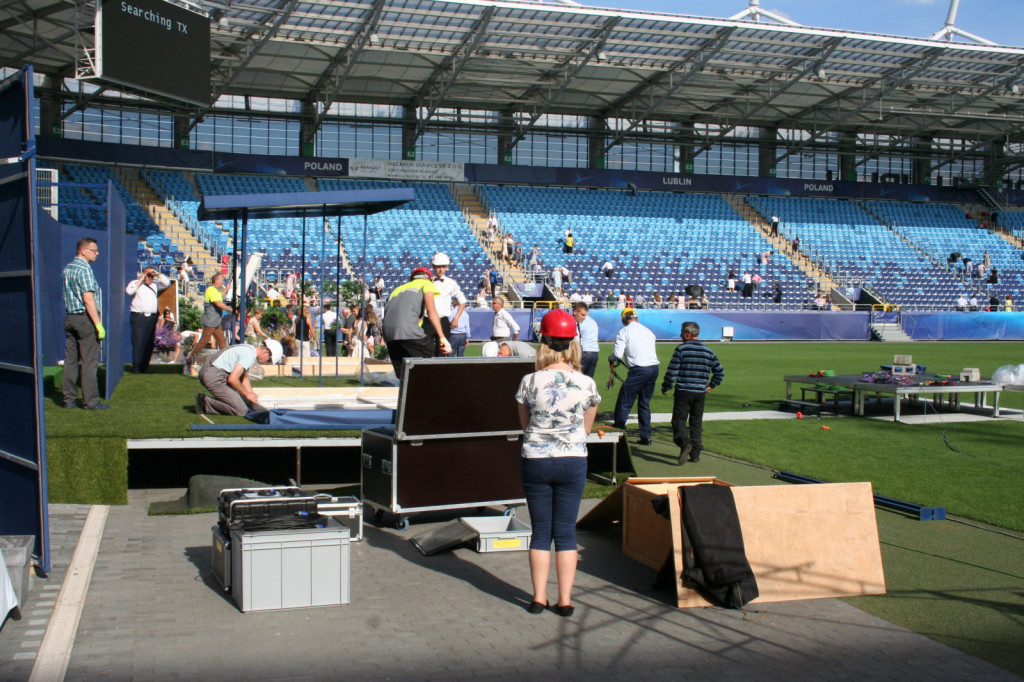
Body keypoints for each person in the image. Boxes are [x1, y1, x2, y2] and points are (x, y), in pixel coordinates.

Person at [514, 309, 601, 617]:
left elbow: (525, 426)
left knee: (540, 532)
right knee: (565, 533)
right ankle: (565, 600)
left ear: (544, 344)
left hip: (536, 460)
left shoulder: (529, 380)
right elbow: (588, 427)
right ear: (572, 344)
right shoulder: (586, 382)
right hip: (573, 460)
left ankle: (538, 598)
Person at [661, 321, 724, 465]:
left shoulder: (681, 349)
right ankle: (695, 454)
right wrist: (711, 386)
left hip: (683, 391)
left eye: (682, 333)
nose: (680, 336)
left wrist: (666, 386)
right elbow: (720, 372)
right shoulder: (708, 351)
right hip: (700, 393)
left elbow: (672, 371)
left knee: (678, 421)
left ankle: (685, 444)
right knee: (696, 422)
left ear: (688, 334)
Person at [62, 237, 108, 410]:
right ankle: (91, 402)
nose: (97, 253)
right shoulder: (85, 269)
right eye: (94, 250)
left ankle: (69, 400)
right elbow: (88, 299)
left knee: (70, 361)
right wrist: (98, 323)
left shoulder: (67, 269)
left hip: (70, 317)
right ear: (83, 250)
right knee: (89, 362)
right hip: (85, 319)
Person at [382, 266, 451, 378]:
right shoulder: (426, 284)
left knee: (403, 370)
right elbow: (431, 310)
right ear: (429, 278)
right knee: (428, 351)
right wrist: (442, 337)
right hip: (406, 329)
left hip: (389, 334)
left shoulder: (397, 289)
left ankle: (406, 387)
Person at [607, 308, 659, 445]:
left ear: (624, 319)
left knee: (625, 398)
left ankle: (619, 426)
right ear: (636, 318)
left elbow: (618, 354)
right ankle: (646, 436)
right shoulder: (648, 331)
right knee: (644, 403)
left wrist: (611, 359)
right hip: (653, 368)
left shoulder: (624, 331)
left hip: (639, 369)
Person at [195, 339, 283, 416]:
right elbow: (233, 379)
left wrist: (253, 399)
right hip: (214, 377)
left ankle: (224, 402)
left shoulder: (248, 349)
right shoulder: (249, 355)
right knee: (241, 410)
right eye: (269, 360)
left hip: (212, 373)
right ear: (266, 352)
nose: (266, 363)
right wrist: (247, 394)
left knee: (244, 401)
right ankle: (204, 402)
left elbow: (244, 377)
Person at [125, 266, 171, 374]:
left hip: (151, 317)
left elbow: (167, 283)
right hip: (139, 316)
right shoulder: (136, 283)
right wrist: (142, 278)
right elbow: (129, 291)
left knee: (149, 343)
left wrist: (156, 273)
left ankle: (144, 366)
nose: (149, 278)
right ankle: (136, 366)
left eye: (151, 276)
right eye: (148, 275)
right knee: (138, 341)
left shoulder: (155, 285)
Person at [185, 273, 231, 371]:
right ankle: (190, 358)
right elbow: (218, 303)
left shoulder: (215, 290)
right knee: (204, 340)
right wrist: (231, 309)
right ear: (216, 280)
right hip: (211, 320)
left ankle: (226, 360)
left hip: (215, 320)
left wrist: (226, 290)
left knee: (221, 340)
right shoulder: (211, 290)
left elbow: (219, 297)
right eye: (222, 280)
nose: (223, 282)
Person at [429, 252, 467, 357]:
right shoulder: (427, 281)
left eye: (443, 266)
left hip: (443, 320)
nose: (440, 269)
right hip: (427, 320)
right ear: (433, 266)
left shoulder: (451, 283)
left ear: (447, 267)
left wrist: (456, 318)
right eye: (438, 267)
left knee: (442, 351)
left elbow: (462, 301)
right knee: (425, 350)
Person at [572, 302, 599, 378]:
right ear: (575, 312)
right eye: (582, 315)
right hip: (594, 352)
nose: (584, 317)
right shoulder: (593, 321)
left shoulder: (578, 322)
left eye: (585, 315)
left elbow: (576, 340)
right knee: (588, 380)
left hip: (584, 352)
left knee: (576, 379)